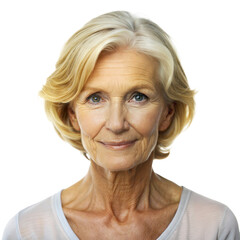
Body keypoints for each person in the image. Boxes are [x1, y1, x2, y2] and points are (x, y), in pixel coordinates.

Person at [2, 11, 239, 240]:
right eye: (95, 98)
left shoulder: (213, 226)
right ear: (72, 114)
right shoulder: (28, 231)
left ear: (168, 112)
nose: (116, 124)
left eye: (138, 96)